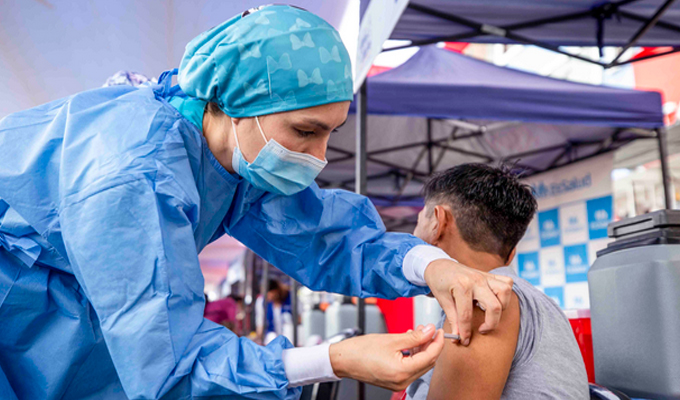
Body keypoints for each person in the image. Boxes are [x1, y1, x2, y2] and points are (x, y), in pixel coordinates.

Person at [0, 5, 513, 400]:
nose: (319, 157)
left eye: (330, 133)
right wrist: (331, 360)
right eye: (305, 131)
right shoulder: (134, 173)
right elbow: (169, 366)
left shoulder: (234, 163)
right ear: (233, 104)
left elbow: (328, 238)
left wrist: (432, 265)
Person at [404, 164, 589, 400]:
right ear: (511, 255)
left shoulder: (482, 300)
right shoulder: (536, 303)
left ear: (438, 223)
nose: (413, 236)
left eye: (418, 222)